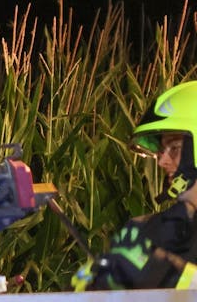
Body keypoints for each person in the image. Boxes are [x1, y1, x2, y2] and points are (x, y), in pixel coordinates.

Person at [76, 81, 197, 290]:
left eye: (175, 148)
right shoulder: (146, 228)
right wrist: (98, 274)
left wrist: (169, 274)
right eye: (161, 150)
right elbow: (77, 295)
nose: (161, 162)